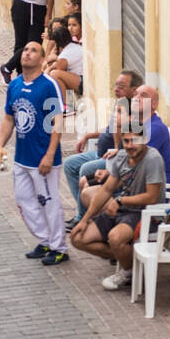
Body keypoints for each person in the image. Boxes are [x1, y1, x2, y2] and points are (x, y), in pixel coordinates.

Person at [0, 39, 68, 266]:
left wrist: (49, 154)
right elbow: (10, 118)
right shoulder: (15, 85)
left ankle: (59, 248)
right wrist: (0, 145)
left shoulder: (48, 85)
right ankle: (45, 240)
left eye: (33, 50)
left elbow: (57, 122)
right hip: (22, 157)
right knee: (24, 200)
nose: (27, 53)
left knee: (49, 201)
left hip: (43, 158)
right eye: (25, 50)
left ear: (43, 59)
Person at [71, 127, 166, 290]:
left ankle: (127, 272)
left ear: (144, 141)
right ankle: (130, 259)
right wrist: (84, 220)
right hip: (124, 210)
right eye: (126, 141)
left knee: (115, 238)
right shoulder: (122, 157)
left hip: (146, 214)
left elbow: (152, 197)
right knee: (78, 238)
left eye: (134, 140)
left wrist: (120, 201)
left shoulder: (153, 159)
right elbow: (106, 190)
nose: (130, 145)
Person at [63, 69, 143, 224]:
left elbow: (124, 145)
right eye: (116, 85)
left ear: (134, 90)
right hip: (102, 152)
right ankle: (86, 210)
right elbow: (108, 128)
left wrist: (117, 140)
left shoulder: (134, 111)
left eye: (122, 86)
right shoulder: (120, 105)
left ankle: (82, 217)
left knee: (85, 169)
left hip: (113, 157)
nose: (116, 89)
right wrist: (88, 136)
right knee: (69, 163)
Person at [130, 85, 170, 183]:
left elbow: (132, 161)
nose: (136, 98)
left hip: (150, 189)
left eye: (143, 96)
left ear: (154, 105)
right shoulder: (136, 124)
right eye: (135, 95)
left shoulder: (157, 129)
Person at [47, 21, 84, 98]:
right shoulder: (72, 46)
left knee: (55, 74)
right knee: (61, 77)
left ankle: (66, 105)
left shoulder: (65, 54)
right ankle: (69, 106)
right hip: (79, 79)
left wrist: (49, 68)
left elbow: (57, 68)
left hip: (82, 81)